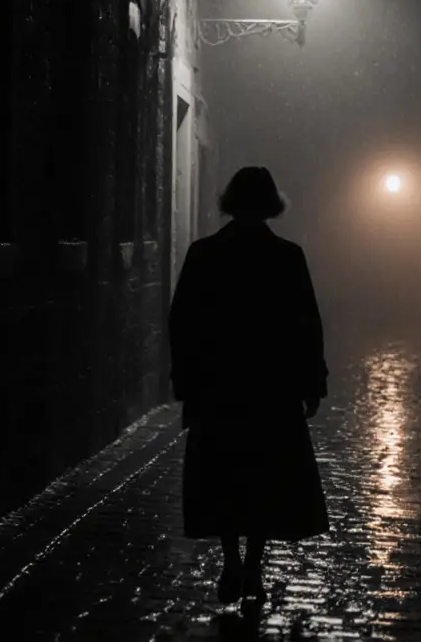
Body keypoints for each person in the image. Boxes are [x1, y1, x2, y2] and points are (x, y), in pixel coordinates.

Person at [168, 166, 330, 605]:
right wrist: (311, 381)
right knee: (264, 474)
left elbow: (183, 322)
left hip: (219, 384)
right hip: (270, 386)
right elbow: (306, 324)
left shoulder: (205, 253)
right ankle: (253, 565)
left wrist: (187, 380)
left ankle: (231, 562)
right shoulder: (287, 256)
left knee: (223, 473)